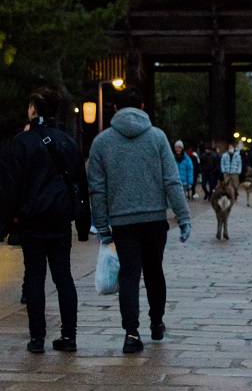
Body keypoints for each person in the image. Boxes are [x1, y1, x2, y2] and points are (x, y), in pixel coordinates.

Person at [88, 87, 191, 354]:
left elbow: (97, 188)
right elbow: (171, 179)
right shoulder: (157, 137)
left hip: (122, 222)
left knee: (130, 275)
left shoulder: (102, 142)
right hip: (155, 219)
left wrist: (101, 225)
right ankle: (156, 323)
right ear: (143, 107)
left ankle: (131, 334)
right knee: (154, 272)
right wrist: (183, 217)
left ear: (114, 109)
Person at [0, 87, 91, 353]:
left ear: (34, 109)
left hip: (32, 219)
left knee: (35, 278)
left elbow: (10, 186)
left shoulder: (21, 142)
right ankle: (69, 336)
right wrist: (84, 224)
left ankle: (37, 337)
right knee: (64, 276)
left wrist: (5, 223)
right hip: (60, 220)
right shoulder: (66, 141)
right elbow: (79, 184)